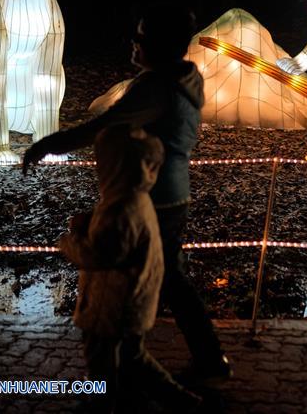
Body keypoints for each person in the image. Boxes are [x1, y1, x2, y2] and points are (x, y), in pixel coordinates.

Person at [24, 5, 230, 383]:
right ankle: (196, 357)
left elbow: (101, 125)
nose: (133, 45)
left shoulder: (155, 88)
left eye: (141, 39)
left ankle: (134, 359)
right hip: (173, 193)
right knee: (168, 278)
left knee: (136, 276)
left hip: (152, 196)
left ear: (162, 46)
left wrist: (45, 145)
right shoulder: (187, 76)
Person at [58, 125, 203, 412]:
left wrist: (71, 242)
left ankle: (105, 404)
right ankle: (176, 399)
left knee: (102, 360)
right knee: (132, 356)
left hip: (110, 305)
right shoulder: (136, 196)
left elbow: (101, 254)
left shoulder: (119, 208)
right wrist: (91, 223)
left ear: (114, 165)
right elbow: (120, 239)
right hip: (133, 300)